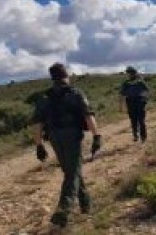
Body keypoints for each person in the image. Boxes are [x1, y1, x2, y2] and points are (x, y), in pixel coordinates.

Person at [33, 63, 101, 228]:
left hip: (55, 138)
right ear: (66, 76)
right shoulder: (75, 93)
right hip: (71, 136)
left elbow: (37, 124)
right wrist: (97, 136)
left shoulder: (44, 98)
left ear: (53, 78)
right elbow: (88, 116)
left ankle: (86, 204)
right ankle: (63, 211)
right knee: (72, 173)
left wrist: (39, 145)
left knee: (72, 170)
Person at [119, 66, 149, 142]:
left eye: (129, 73)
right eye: (127, 73)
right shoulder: (126, 83)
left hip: (140, 102)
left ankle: (143, 137)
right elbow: (121, 94)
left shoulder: (140, 82)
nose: (128, 74)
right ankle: (135, 135)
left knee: (141, 120)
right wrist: (121, 106)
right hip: (130, 102)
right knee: (133, 120)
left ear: (133, 73)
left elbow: (147, 90)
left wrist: (144, 99)